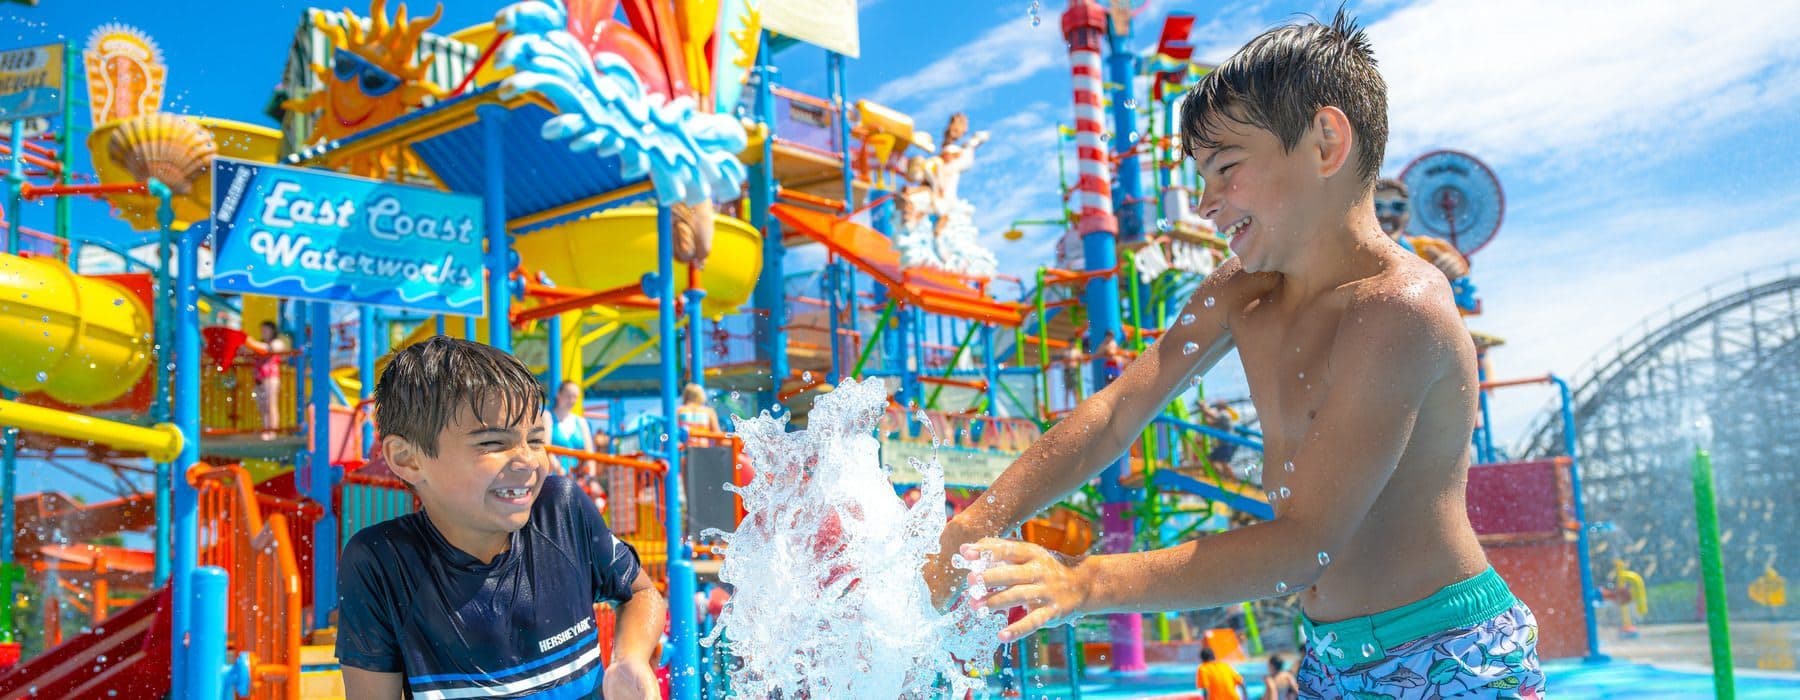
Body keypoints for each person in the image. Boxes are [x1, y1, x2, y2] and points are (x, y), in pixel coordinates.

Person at [927, 10, 1544, 699]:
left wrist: (1083, 580)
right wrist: (976, 524)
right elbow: (1115, 415)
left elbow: (1304, 544)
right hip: (1328, 659)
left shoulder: (1399, 310)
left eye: (1225, 169)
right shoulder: (1241, 293)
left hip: (1449, 657)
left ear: (1325, 142)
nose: (1204, 201)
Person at [338, 336, 665, 699]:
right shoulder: (382, 563)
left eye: (536, 440)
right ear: (408, 459)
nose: (528, 460)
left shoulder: (561, 511)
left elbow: (640, 591)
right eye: (492, 443)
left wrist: (629, 659)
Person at [240, 320, 287, 440]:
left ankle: (273, 431)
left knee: (271, 404)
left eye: (266, 330)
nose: (263, 332)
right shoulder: (259, 344)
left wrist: (250, 343)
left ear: (272, 331)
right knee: (262, 406)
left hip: (271, 377)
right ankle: (266, 429)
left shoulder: (276, 342)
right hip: (259, 378)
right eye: (262, 330)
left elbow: (268, 349)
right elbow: (249, 355)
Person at [544, 380, 598, 477]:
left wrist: (591, 477)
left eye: (575, 397)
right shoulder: (547, 417)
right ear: (558, 394)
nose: (572, 400)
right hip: (554, 476)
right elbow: (545, 447)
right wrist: (560, 470)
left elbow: (590, 452)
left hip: (578, 478)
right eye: (568, 396)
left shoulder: (581, 422)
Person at [1199, 399, 1239, 478]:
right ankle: (1217, 478)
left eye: (1218, 404)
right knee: (1211, 459)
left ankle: (1234, 480)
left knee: (1224, 463)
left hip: (1227, 444)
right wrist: (1203, 411)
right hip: (1223, 444)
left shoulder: (1224, 414)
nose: (1216, 406)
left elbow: (1211, 415)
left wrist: (1203, 407)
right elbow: (1210, 423)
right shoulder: (1221, 416)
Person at [1061, 336, 1087, 408]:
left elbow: (1082, 360)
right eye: (1070, 343)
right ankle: (1066, 408)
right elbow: (1064, 361)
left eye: (1072, 343)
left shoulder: (1076, 351)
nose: (1072, 344)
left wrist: (1079, 359)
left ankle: (1077, 406)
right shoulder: (1066, 351)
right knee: (1067, 390)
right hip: (1067, 371)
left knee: (1075, 389)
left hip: (1073, 371)